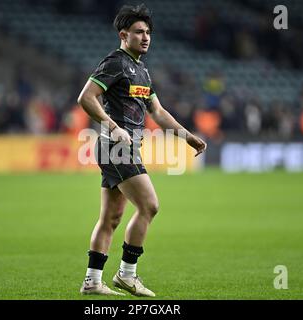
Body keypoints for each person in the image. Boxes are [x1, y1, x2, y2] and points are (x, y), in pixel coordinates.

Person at [77, 3, 207, 297]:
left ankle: (92, 282)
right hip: (116, 147)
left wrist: (187, 137)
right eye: (138, 32)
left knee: (110, 218)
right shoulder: (116, 62)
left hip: (126, 148)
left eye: (148, 32)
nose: (145, 37)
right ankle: (127, 275)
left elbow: (158, 112)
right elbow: (86, 97)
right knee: (150, 206)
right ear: (124, 35)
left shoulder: (142, 72)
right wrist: (112, 126)